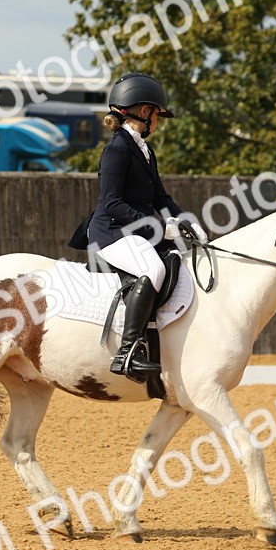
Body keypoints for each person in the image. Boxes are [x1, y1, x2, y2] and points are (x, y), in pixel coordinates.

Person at [67, 72, 206, 382]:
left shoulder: (144, 150)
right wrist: (159, 227)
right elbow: (112, 203)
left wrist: (187, 223)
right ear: (145, 112)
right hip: (111, 232)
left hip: (135, 230)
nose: (159, 121)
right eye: (158, 114)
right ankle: (128, 351)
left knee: (177, 259)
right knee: (153, 270)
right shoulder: (118, 148)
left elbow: (160, 196)